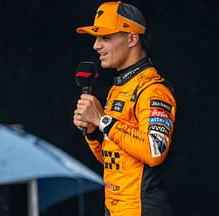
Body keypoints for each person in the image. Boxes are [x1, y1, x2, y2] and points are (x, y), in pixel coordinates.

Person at [73, 1, 176, 216]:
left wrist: (103, 120)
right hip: (116, 208)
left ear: (132, 38)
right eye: (96, 38)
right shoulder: (120, 87)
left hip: (142, 209)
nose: (96, 46)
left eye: (106, 38)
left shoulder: (153, 89)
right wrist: (93, 134)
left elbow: (154, 151)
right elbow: (115, 160)